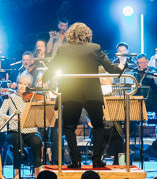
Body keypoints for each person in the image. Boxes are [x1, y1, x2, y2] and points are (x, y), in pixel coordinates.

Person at [44, 22, 123, 169]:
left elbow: (52, 68)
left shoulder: (63, 49)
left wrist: (44, 79)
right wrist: (122, 69)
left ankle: (76, 161)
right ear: (87, 34)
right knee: (99, 126)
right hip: (92, 92)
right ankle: (96, 160)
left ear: (70, 34)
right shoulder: (95, 48)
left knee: (68, 127)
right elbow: (110, 68)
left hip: (70, 92)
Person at [0, 73, 43, 178]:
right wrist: (13, 118)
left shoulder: (32, 98)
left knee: (37, 140)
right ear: (17, 84)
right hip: (14, 131)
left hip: (30, 131)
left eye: (25, 84)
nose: (22, 86)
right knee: (17, 140)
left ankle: (37, 173)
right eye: (20, 83)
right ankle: (16, 174)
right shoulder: (10, 97)